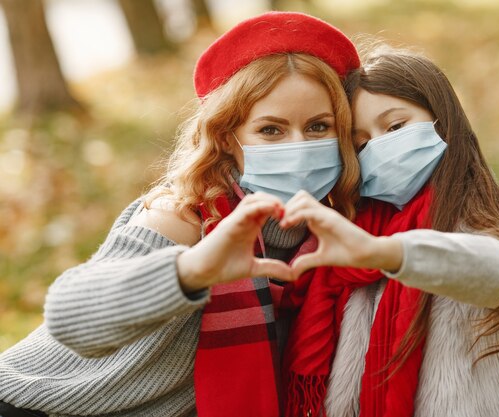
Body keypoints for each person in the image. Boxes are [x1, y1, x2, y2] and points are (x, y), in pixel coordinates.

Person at [0, 11, 363, 417]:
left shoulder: (330, 233)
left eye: (317, 127)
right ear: (227, 138)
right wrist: (190, 271)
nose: (298, 146)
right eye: (271, 130)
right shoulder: (185, 214)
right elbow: (70, 315)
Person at [279, 46, 499, 417]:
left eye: (395, 127)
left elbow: (496, 270)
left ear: (442, 119)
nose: (380, 147)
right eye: (362, 142)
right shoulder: (360, 233)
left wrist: (388, 253)